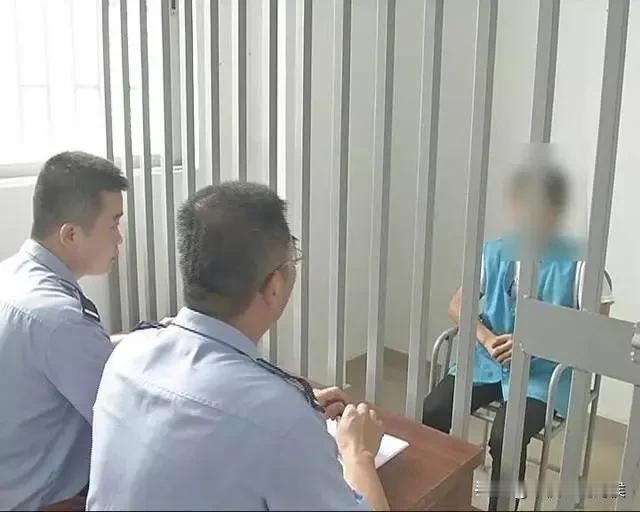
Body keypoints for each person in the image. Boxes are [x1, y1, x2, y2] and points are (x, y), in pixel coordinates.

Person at [87, 182, 390, 511]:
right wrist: (358, 454)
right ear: (274, 287)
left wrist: (289, 409)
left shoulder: (128, 353)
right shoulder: (283, 420)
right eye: (292, 257)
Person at [421, 168, 613, 511]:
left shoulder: (581, 266)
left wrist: (536, 341)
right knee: (432, 410)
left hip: (545, 374)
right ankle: (437, 498)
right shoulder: (496, 252)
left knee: (504, 437)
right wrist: (486, 338)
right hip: (487, 362)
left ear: (555, 212)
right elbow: (457, 303)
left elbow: (600, 330)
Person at [0, 152, 128, 510]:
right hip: (49, 502)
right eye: (113, 225)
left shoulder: (11, 276)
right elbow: (126, 417)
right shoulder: (59, 320)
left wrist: (136, 341)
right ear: (70, 234)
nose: (119, 239)